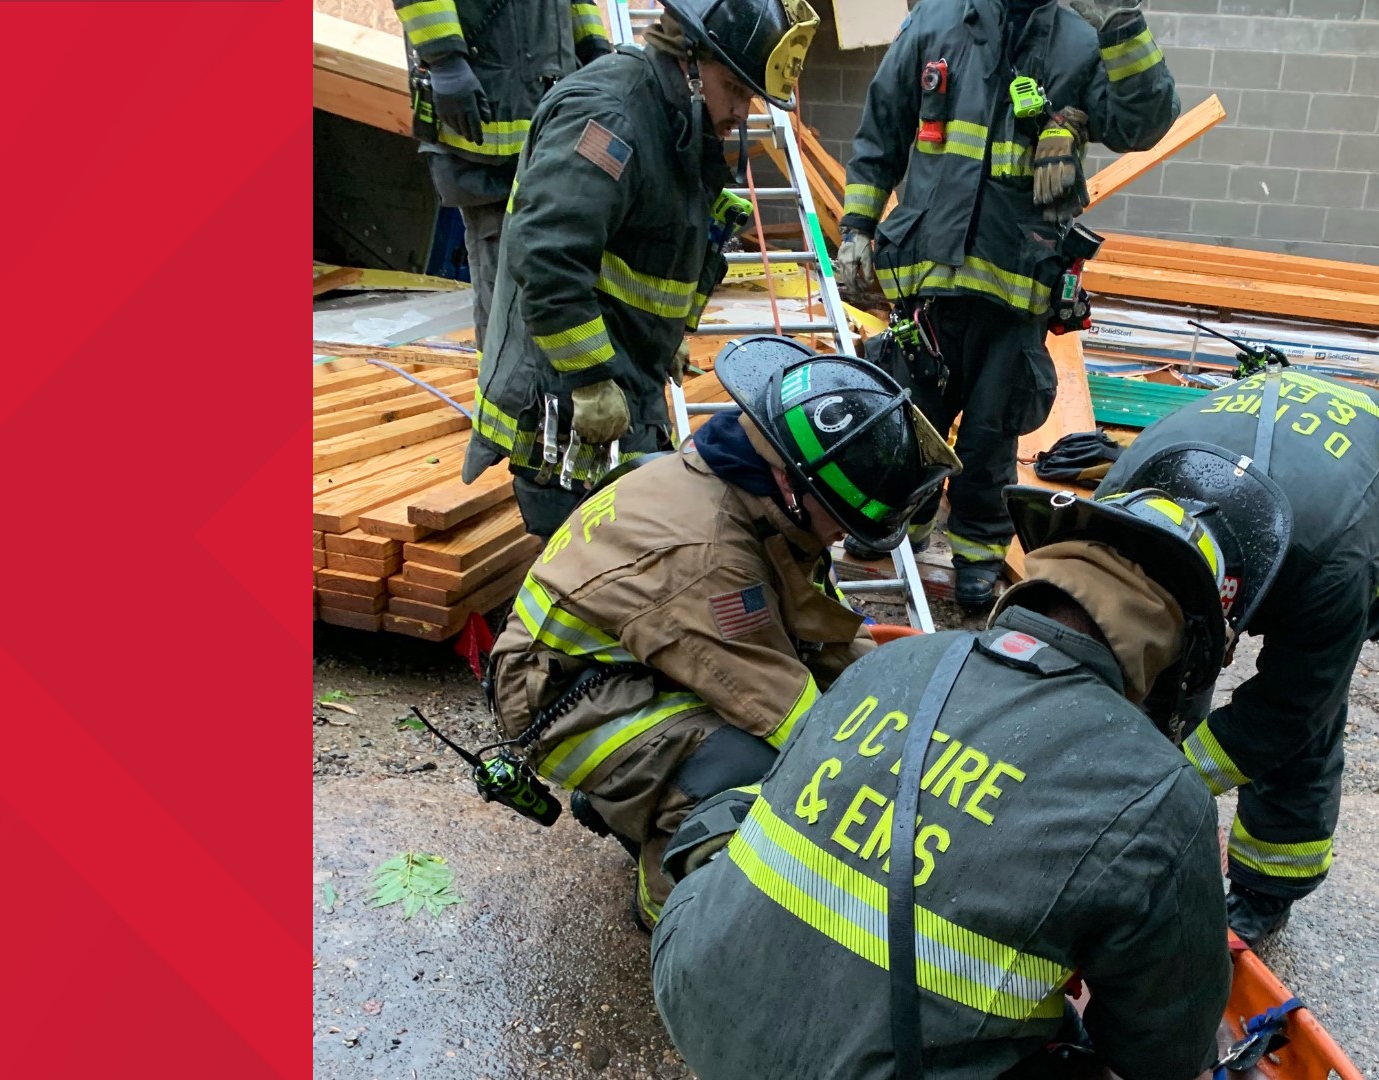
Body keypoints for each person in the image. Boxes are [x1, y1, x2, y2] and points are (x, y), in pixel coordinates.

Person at [650, 464, 1296, 1079]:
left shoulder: (891, 663)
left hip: (694, 994)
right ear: (1184, 650)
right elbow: (1162, 1056)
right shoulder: (1156, 791)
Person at [485, 336, 959, 927]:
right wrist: (910, 780)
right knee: (763, 773)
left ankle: (633, 794)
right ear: (794, 485)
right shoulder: (711, 559)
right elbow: (790, 718)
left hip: (621, 662)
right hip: (556, 699)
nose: (842, 536)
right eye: (840, 520)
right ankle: (674, 911)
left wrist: (902, 699)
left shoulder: (747, 484)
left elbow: (819, 628)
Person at [833, 0, 1179, 611]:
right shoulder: (935, 23)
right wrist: (857, 227)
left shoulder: (1079, 41)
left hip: (1018, 282)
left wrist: (1120, 24)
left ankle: (977, 554)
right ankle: (902, 520)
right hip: (929, 272)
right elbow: (882, 126)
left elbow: (1143, 125)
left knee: (992, 430)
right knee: (910, 412)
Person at [1095, 361, 1379, 945]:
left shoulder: (1333, 560)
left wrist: (1173, 778)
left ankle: (1267, 887)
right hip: (1281, 461)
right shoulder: (1120, 497)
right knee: (1162, 670)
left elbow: (1291, 707)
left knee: (1309, 708)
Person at [460, 0, 822, 538]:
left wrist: (667, 333)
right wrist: (589, 378)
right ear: (690, 61)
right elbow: (548, 255)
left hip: (628, 380)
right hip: (565, 401)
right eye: (736, 89)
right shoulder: (611, 118)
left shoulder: (675, 119)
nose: (742, 112)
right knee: (589, 564)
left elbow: (655, 243)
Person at [390, 0, 614, 348]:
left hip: (552, 121)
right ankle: (504, 381)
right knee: (506, 297)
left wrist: (594, 48)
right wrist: (444, 59)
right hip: (488, 132)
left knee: (557, 279)